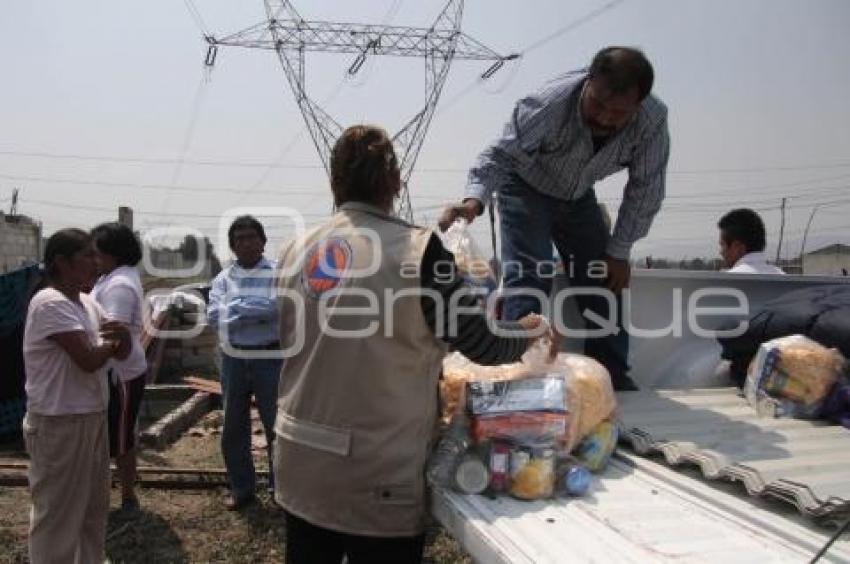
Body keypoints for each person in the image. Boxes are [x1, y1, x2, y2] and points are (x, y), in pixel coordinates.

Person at [274, 124, 555, 563]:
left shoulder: (295, 250)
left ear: (333, 183)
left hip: (299, 459)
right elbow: (481, 343)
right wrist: (529, 331)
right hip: (376, 470)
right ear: (395, 183)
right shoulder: (418, 252)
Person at [440, 46, 670, 391]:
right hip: (525, 187)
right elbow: (500, 154)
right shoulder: (549, 105)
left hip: (578, 196)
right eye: (598, 104)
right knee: (529, 278)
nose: (605, 118)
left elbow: (645, 189)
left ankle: (611, 379)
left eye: (618, 113)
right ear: (588, 82)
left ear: (637, 106)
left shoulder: (652, 122)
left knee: (602, 280)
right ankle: (517, 376)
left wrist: (619, 252)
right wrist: (474, 201)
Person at [22, 228, 130, 564]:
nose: (96, 263)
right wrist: (117, 342)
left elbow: (122, 351)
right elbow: (88, 360)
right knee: (57, 518)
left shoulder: (85, 301)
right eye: (88, 255)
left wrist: (122, 340)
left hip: (89, 418)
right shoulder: (49, 302)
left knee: (92, 512)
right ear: (62, 262)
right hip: (60, 424)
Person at [207, 215, 282, 510]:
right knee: (233, 427)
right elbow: (214, 317)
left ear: (263, 241)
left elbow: (278, 306)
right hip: (234, 358)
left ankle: (282, 491)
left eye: (252, 236)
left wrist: (235, 307)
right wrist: (254, 309)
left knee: (277, 426)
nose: (247, 242)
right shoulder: (223, 279)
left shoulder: (279, 273)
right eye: (240, 238)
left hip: (271, 356)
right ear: (232, 246)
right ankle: (242, 489)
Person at [90, 222, 148, 512]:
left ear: (113, 254)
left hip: (121, 372)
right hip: (117, 370)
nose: (92, 258)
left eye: (97, 252)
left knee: (122, 435)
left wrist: (87, 357)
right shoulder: (112, 277)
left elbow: (114, 333)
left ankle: (128, 497)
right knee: (117, 433)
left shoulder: (119, 285)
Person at [717, 208, 784, 274]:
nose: (721, 252)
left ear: (737, 247)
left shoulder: (727, 281)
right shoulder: (784, 277)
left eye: (722, 245)